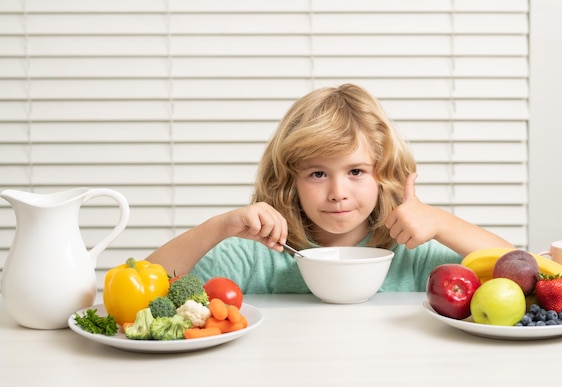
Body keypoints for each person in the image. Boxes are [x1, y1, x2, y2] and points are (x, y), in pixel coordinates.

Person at [146, 83, 513, 293]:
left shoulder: (409, 253)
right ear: (289, 181)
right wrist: (218, 227)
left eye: (356, 171)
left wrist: (444, 223)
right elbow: (145, 288)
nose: (338, 192)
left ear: (383, 175)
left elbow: (528, 276)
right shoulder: (253, 257)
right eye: (317, 174)